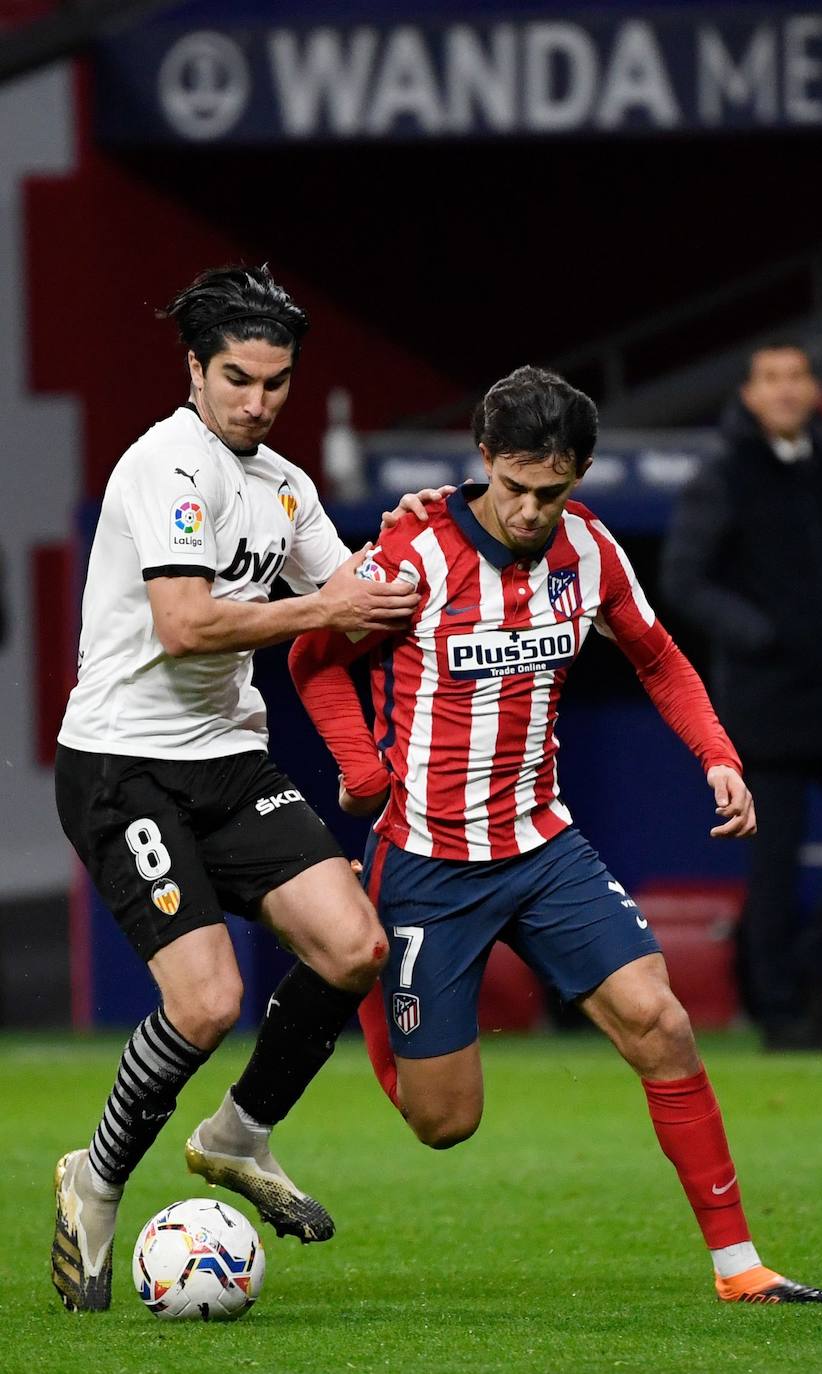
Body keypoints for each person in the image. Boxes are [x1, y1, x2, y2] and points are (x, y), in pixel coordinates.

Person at [289, 365, 822, 1305]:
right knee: (444, 1124)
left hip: (544, 848)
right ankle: (369, 969)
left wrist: (718, 756)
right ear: (484, 460)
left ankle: (739, 1269)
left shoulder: (591, 550)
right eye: (516, 489)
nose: (534, 511)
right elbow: (312, 659)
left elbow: (659, 659)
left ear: (577, 476)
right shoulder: (411, 554)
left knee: (660, 1023)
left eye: (555, 491)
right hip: (426, 862)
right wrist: (365, 775)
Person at [51, 263, 448, 1313]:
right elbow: (189, 623)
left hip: (229, 760)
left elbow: (358, 588)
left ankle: (238, 1134)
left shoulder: (281, 482)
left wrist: (418, 542)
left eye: (275, 382)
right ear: (194, 368)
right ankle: (94, 1180)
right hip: (125, 766)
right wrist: (327, 607)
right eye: (236, 378)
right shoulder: (164, 466)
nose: (257, 400)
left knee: (352, 947)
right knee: (209, 1000)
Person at [661, 344, 822, 1052]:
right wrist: (756, 634)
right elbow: (684, 578)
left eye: (798, 377)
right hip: (767, 704)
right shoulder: (723, 472)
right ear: (750, 392)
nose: (787, 390)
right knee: (776, 861)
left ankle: (805, 972)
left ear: (815, 390)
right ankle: (779, 1012)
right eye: (772, 378)